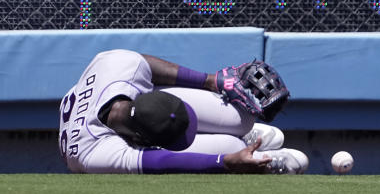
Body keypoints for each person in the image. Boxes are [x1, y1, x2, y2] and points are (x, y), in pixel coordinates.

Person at [58, 49, 308, 174]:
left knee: (241, 119)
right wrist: (226, 162)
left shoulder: (118, 65)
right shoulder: (95, 155)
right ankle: (242, 148)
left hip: (127, 98)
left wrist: (211, 81)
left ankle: (246, 136)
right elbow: (159, 161)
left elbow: (144, 65)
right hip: (102, 138)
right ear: (141, 141)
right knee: (230, 148)